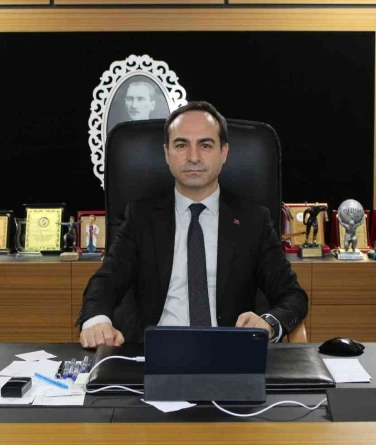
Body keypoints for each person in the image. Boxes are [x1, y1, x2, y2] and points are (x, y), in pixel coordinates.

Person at [77, 101, 308, 348]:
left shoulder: (253, 220)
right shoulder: (141, 216)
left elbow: (293, 295)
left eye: (205, 145)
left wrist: (269, 323)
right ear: (166, 153)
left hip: (229, 353)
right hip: (154, 353)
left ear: (224, 152)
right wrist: (97, 321)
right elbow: (106, 281)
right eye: (181, 145)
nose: (193, 157)